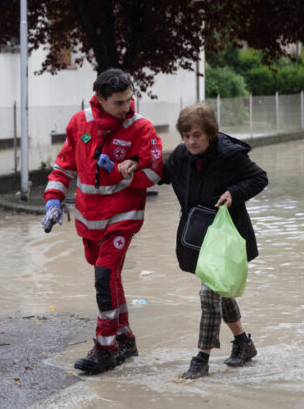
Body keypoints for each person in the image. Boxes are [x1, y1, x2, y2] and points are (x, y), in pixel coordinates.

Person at [43, 69, 163, 374]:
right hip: (90, 219)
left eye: (129, 99)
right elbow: (64, 167)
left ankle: (105, 348)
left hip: (123, 217)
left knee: (104, 277)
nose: (127, 107)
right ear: (100, 99)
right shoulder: (80, 123)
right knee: (110, 278)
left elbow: (154, 175)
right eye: (119, 102)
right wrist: (53, 201)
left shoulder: (141, 128)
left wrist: (130, 171)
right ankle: (126, 339)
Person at [159, 103, 268, 379]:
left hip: (226, 238)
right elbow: (162, 173)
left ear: (210, 133)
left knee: (209, 295)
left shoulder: (229, 155)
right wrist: (135, 165)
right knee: (221, 290)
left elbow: (259, 178)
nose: (190, 141)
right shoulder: (182, 155)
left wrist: (233, 192)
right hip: (196, 238)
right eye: (185, 135)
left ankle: (201, 360)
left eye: (196, 135)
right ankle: (244, 344)